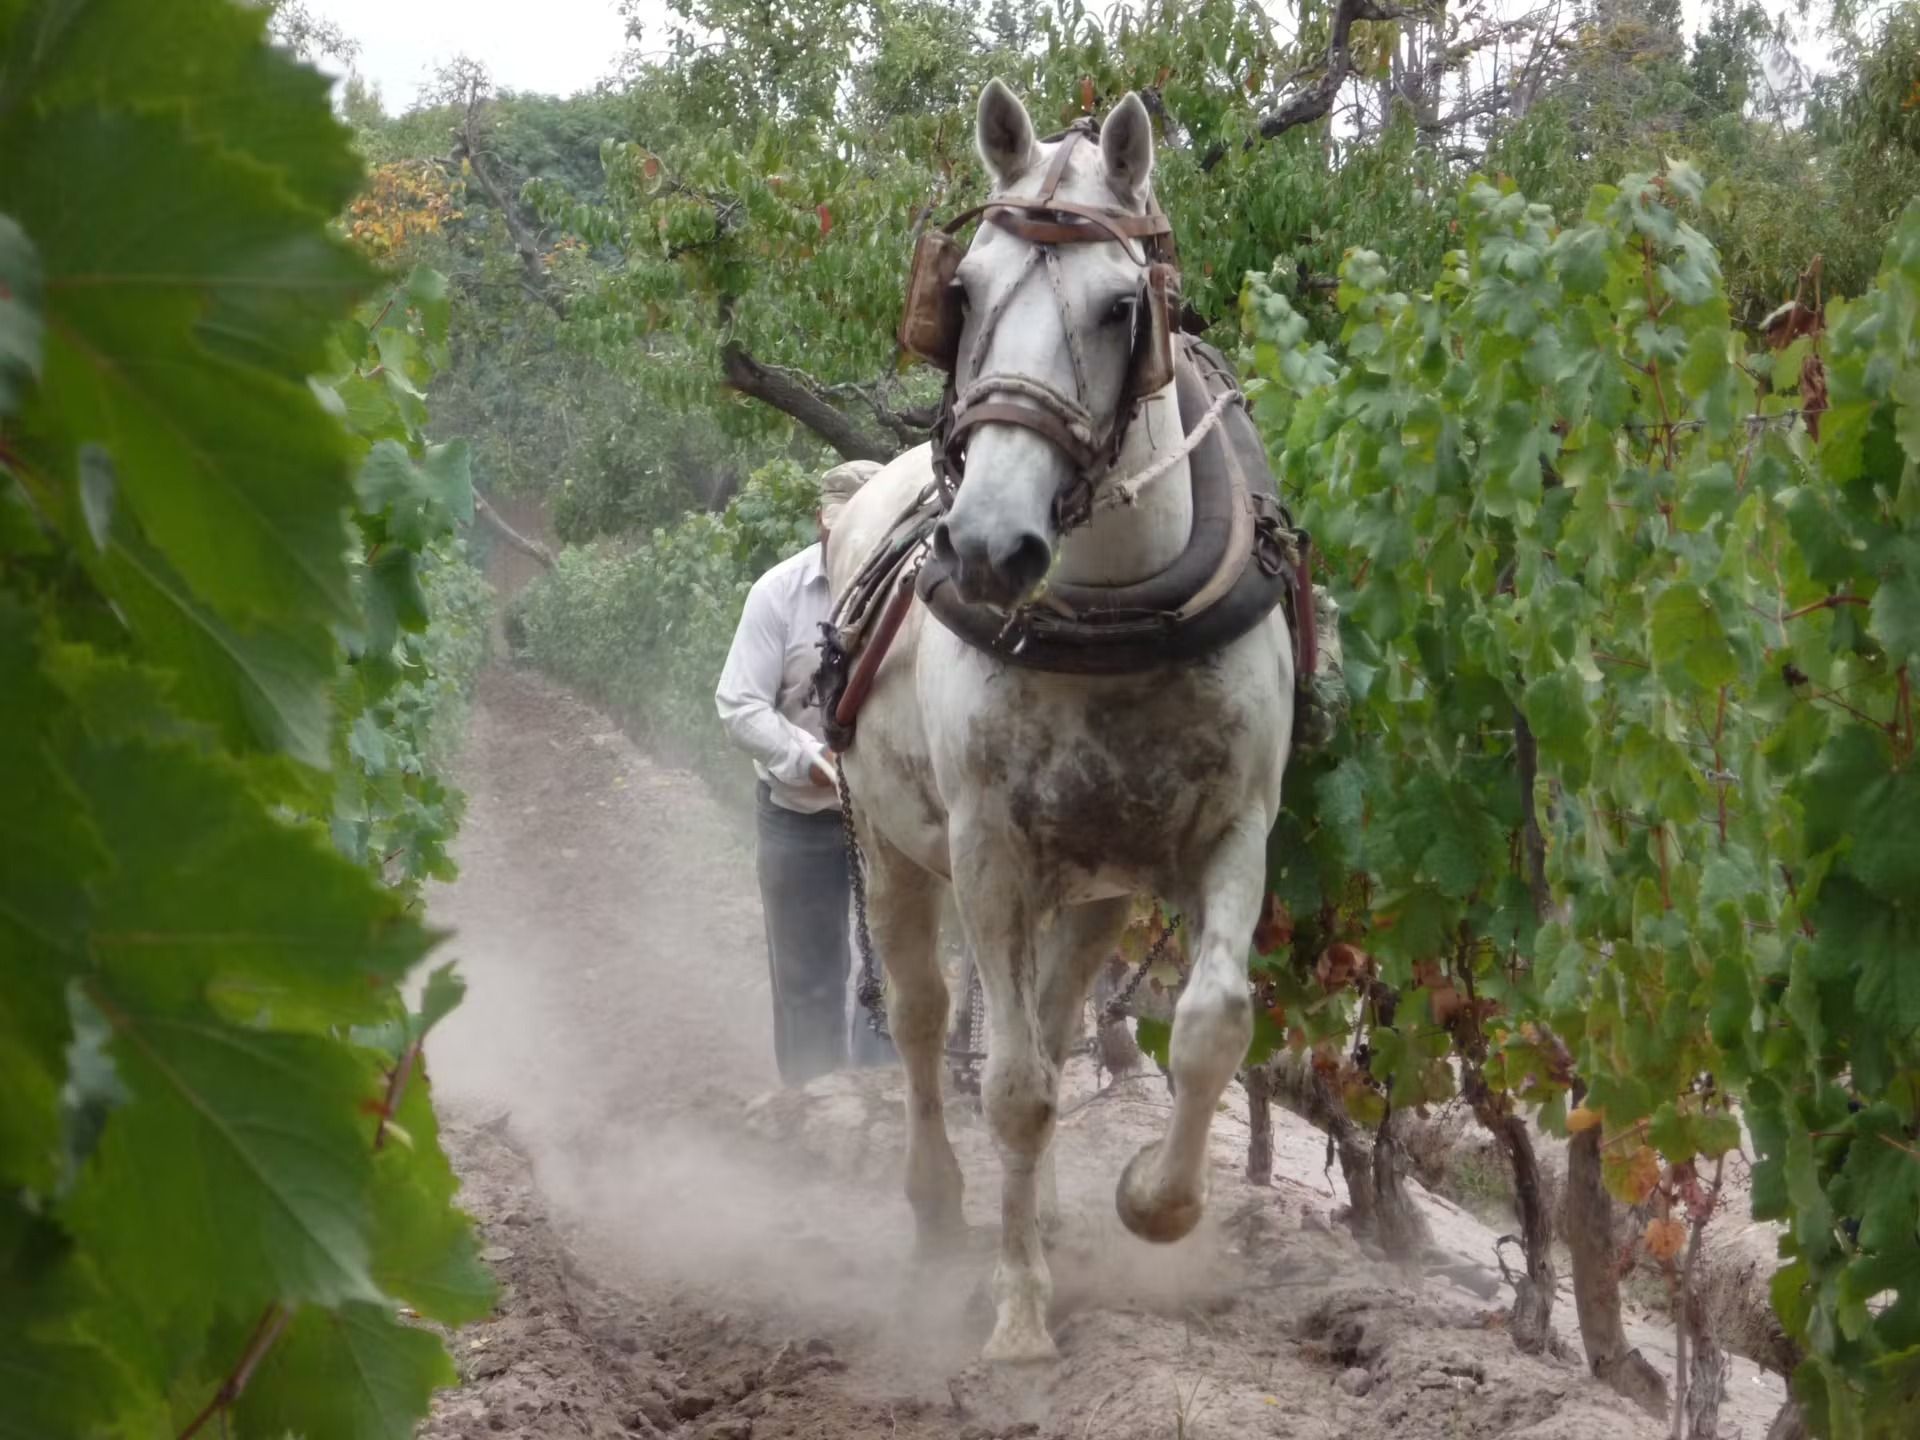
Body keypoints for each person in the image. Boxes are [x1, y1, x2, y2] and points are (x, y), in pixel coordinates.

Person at [715, 459, 896, 1086]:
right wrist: (807, 759)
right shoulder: (778, 593)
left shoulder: (912, 599)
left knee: (892, 974)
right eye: (842, 527)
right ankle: (815, 1114)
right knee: (807, 979)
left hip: (888, 825)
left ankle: (882, 1108)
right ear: (821, 521)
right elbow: (739, 703)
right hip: (798, 817)